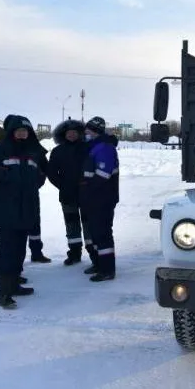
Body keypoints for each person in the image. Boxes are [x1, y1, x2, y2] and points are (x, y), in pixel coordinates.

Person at [0, 115, 47, 309]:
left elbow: (41, 174)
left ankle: (15, 285)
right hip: (7, 209)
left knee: (19, 250)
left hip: (27, 208)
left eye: (25, 131)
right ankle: (4, 293)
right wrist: (3, 175)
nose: (22, 134)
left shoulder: (33, 152)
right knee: (7, 252)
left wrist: (36, 182)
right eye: (19, 131)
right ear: (11, 132)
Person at [47, 118, 94, 266]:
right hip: (67, 195)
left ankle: (94, 254)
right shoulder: (57, 151)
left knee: (89, 225)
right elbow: (52, 173)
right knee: (71, 225)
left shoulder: (88, 148)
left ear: (79, 133)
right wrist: (63, 185)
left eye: (75, 132)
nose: (72, 135)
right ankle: (74, 253)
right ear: (63, 135)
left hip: (87, 194)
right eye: (69, 133)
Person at [80, 116, 119, 281]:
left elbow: (103, 174)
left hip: (103, 198)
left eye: (88, 130)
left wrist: (87, 186)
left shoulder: (104, 148)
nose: (86, 133)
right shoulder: (93, 146)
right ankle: (99, 264)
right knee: (95, 233)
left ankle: (107, 269)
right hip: (94, 198)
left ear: (95, 131)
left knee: (102, 233)